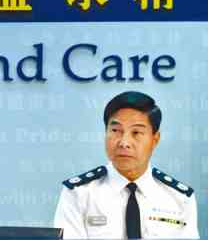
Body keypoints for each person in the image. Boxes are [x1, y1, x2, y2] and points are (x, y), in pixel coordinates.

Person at [54, 91, 198, 239]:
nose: (124, 143)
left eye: (136, 133)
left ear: (155, 139)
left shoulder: (179, 198)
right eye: (116, 131)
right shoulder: (79, 193)